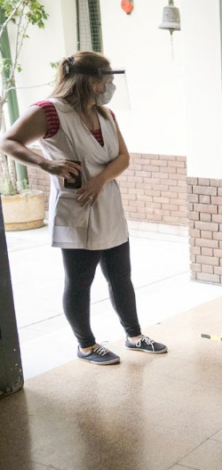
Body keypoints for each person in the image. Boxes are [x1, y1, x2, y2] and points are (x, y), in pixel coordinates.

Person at [0, 52, 168, 365]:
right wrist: (46, 163)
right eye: (107, 78)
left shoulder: (105, 114)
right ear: (91, 81)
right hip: (75, 208)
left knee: (121, 277)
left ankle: (134, 336)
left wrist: (101, 181)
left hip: (107, 206)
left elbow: (122, 158)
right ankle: (87, 346)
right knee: (79, 283)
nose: (111, 85)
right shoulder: (50, 112)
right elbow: (8, 141)